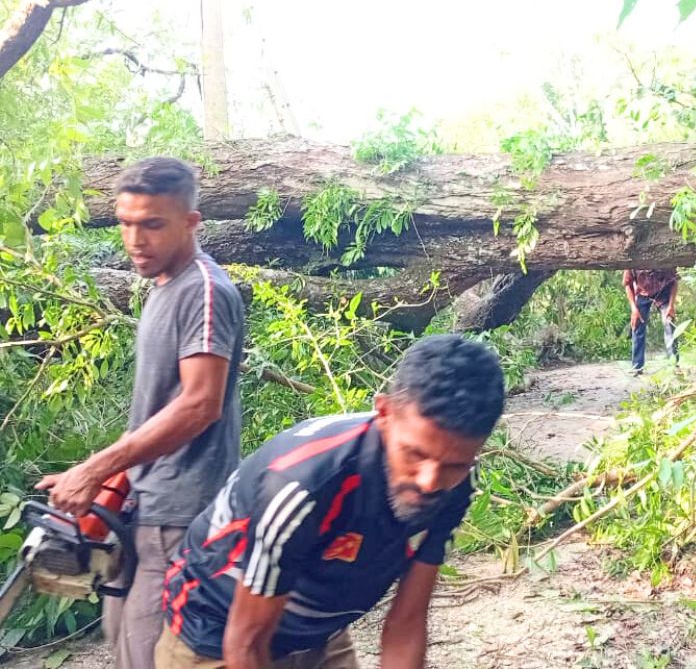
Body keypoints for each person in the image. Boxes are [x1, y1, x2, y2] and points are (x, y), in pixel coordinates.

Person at [155, 334, 505, 669]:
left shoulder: (456, 484)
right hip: (216, 634)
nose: (429, 481)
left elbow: (407, 622)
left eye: (454, 465)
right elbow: (245, 642)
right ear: (383, 413)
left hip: (314, 634)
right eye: (414, 454)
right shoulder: (304, 484)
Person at [37, 158, 245, 669]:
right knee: (121, 636)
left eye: (152, 224)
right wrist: (107, 478)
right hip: (143, 506)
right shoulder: (163, 287)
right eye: (125, 223)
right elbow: (159, 407)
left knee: (152, 654)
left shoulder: (204, 290)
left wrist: (96, 469)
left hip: (182, 511)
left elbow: (200, 404)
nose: (135, 239)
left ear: (191, 222)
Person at [623, 268, 679, 375]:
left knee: (669, 323)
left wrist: (671, 305)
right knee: (637, 324)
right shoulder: (632, 261)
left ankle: (674, 364)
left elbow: (674, 281)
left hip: (664, 293)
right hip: (642, 294)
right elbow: (627, 284)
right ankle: (637, 366)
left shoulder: (664, 259)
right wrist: (634, 309)